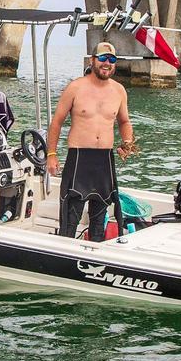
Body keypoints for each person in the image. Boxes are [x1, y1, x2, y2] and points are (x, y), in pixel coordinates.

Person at [47, 41, 138, 241]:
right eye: (103, 58)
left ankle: (96, 254)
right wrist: (51, 155)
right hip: (79, 158)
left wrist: (127, 142)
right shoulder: (76, 87)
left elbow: (124, 121)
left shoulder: (119, 91)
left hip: (104, 160)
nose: (107, 63)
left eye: (112, 59)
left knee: (99, 219)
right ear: (93, 60)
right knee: (71, 217)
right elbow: (56, 123)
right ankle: (65, 252)